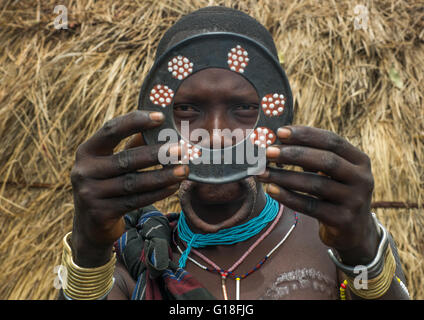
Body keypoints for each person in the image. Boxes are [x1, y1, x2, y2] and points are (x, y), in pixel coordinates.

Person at [58, 6, 409, 300]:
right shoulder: (135, 260)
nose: (215, 136)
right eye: (186, 110)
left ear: (277, 116)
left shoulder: (336, 242)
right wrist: (88, 248)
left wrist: (362, 251)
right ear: (154, 127)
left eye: (243, 108)